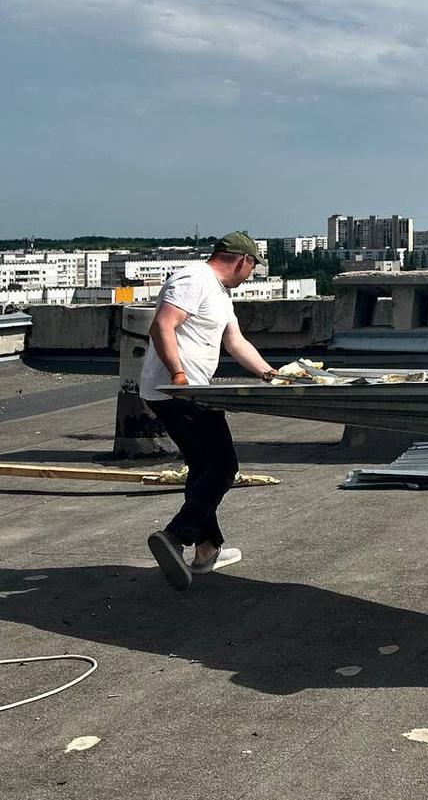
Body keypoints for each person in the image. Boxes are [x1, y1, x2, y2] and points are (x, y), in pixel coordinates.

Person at [140, 231, 279, 590]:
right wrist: (178, 375)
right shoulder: (194, 279)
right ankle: (175, 536)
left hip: (183, 391)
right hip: (179, 391)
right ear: (243, 260)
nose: (250, 275)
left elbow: (235, 342)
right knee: (223, 467)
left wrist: (270, 373)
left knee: (204, 468)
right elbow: (162, 324)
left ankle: (207, 550)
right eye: (253, 267)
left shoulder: (220, 294)